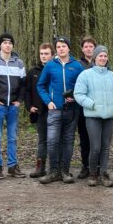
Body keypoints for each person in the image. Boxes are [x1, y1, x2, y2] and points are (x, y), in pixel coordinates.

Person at [36, 36, 84, 184]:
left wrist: (75, 97)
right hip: (55, 110)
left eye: (63, 46)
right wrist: (48, 102)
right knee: (52, 141)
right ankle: (53, 172)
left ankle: (65, 171)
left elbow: (83, 86)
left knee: (68, 141)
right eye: (58, 47)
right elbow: (40, 85)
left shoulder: (77, 66)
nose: (61, 49)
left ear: (69, 48)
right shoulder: (50, 65)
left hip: (72, 110)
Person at [74, 46, 113, 187]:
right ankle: (93, 173)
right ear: (95, 57)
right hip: (93, 116)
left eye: (105, 56)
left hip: (109, 116)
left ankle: (104, 174)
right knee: (95, 147)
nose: (103, 58)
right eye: (100, 55)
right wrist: (92, 104)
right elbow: (79, 94)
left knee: (105, 147)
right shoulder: (85, 75)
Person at [0, 32, 26, 179]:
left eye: (10, 43)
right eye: (5, 43)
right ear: (0, 45)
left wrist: (19, 101)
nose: (8, 45)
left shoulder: (19, 63)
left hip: (13, 106)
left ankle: (12, 166)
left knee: (12, 137)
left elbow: (23, 85)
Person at [25, 43, 54, 178]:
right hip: (40, 111)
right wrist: (29, 106)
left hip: (55, 110)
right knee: (43, 140)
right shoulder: (33, 72)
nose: (43, 56)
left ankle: (56, 168)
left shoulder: (56, 69)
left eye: (46, 54)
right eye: (41, 54)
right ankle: (40, 167)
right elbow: (27, 91)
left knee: (56, 140)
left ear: (52, 55)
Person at [76, 35, 98, 178]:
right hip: (81, 108)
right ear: (82, 49)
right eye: (86, 46)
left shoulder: (101, 62)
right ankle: (85, 166)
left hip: (98, 108)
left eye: (91, 46)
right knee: (84, 138)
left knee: (96, 140)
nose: (89, 49)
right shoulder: (77, 65)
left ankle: (97, 166)